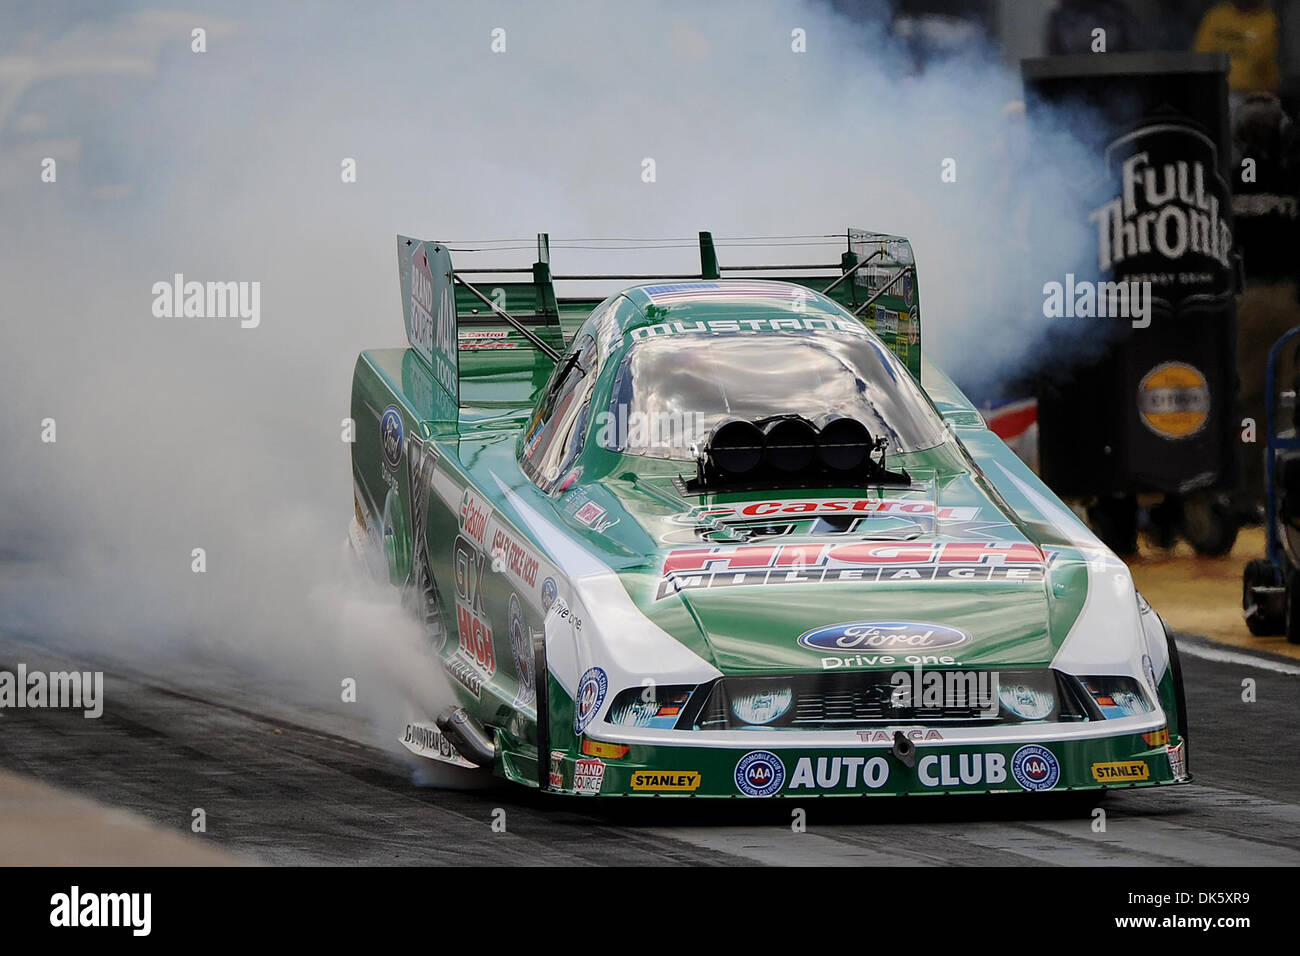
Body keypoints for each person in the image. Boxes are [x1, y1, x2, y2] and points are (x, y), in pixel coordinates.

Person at [1194, 0, 1282, 110]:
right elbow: (1200, 57)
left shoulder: (1268, 21)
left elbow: (1270, 68)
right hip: (1214, 92)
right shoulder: (1216, 16)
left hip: (1250, 99)